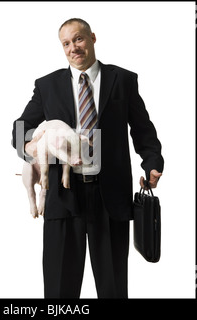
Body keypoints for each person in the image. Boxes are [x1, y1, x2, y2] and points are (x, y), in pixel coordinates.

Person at [11, 18, 164, 298]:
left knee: (113, 289)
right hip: (62, 194)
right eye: (66, 43)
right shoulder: (47, 85)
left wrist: (152, 163)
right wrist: (30, 146)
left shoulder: (123, 80)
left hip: (110, 197)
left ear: (92, 38)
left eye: (78, 39)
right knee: (59, 291)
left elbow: (143, 130)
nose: (73, 48)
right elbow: (21, 128)